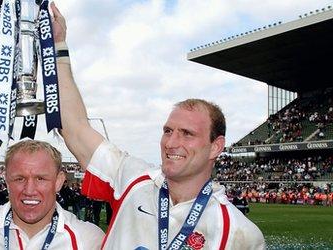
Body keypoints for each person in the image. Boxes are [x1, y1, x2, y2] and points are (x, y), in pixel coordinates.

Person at [49, 3, 265, 249]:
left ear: (216, 147)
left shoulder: (239, 233)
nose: (171, 142)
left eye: (187, 134)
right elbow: (74, 128)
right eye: (168, 131)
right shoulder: (133, 179)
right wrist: (58, 46)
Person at [0, 140, 104, 249]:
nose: (29, 190)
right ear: (7, 180)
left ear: (58, 181)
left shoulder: (89, 239)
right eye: (19, 178)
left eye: (40, 178)